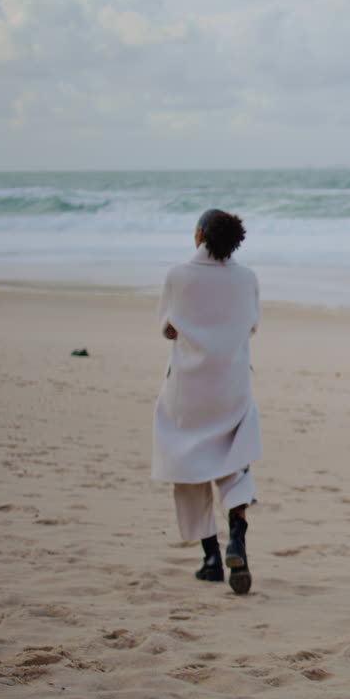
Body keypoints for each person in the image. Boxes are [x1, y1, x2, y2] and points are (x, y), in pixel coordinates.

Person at [152, 209, 262, 595]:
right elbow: (252, 324)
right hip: (231, 385)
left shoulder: (177, 275)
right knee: (235, 463)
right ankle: (237, 539)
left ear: (199, 234)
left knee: (189, 467)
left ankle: (211, 558)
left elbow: (167, 329)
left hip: (187, 389)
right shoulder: (247, 277)